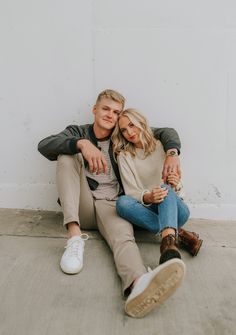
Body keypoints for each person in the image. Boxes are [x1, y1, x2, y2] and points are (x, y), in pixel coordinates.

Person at [38, 89, 186, 318]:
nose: (110, 115)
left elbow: (165, 132)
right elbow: (45, 145)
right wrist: (82, 144)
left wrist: (173, 152)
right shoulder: (78, 131)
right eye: (106, 108)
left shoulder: (123, 135)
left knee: (123, 239)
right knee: (65, 157)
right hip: (82, 204)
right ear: (94, 109)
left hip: (112, 204)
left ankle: (138, 283)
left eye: (116, 112)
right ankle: (74, 238)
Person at [112, 108, 203, 266]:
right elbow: (131, 191)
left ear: (142, 123)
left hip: (176, 211)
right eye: (124, 130)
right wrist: (148, 197)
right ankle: (173, 240)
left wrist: (176, 184)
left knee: (165, 189)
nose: (129, 132)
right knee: (122, 203)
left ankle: (170, 237)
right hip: (147, 209)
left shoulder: (163, 147)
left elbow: (179, 189)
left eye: (132, 125)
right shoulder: (124, 155)